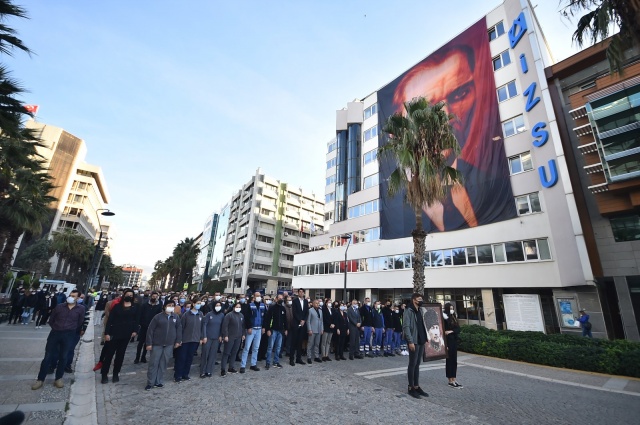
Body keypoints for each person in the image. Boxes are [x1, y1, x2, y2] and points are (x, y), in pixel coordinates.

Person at [381, 19, 515, 234]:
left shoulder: (495, 180)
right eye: (425, 109)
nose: (445, 117)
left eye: (460, 94)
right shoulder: (394, 206)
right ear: (400, 129)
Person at [32, 290, 85, 390]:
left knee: (64, 356)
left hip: (69, 334)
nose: (70, 297)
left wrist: (71, 328)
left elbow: (80, 322)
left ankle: (58, 378)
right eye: (70, 295)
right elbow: (51, 320)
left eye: (73, 296)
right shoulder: (59, 307)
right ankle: (40, 379)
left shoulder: (81, 309)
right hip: (55, 333)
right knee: (47, 356)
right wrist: (57, 327)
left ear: (77, 298)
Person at [101, 288, 140, 384]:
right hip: (114, 333)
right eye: (128, 295)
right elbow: (110, 320)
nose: (129, 297)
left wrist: (135, 331)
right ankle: (104, 374)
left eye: (131, 295)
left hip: (126, 334)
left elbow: (136, 320)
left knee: (120, 355)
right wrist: (107, 333)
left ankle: (115, 373)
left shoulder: (135, 307)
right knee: (109, 355)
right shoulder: (117, 306)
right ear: (124, 295)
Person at [144, 300, 182, 390]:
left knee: (163, 363)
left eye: (173, 305)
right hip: (157, 344)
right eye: (169, 305)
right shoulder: (158, 317)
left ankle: (159, 381)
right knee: (154, 363)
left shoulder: (176, 317)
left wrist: (178, 341)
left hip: (169, 344)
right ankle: (150, 382)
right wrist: (149, 343)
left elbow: (179, 329)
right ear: (165, 306)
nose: (171, 307)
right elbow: (150, 330)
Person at [403, 293, 429, 399]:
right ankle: (411, 387)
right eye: (419, 299)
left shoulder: (420, 310)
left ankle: (417, 386)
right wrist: (410, 341)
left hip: (421, 340)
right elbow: (406, 326)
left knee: (418, 364)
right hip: (414, 341)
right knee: (412, 364)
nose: (421, 300)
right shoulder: (408, 311)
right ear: (414, 300)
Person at [174, 299, 205, 382]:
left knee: (189, 358)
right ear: (193, 304)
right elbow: (181, 327)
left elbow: (202, 327)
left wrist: (201, 337)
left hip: (195, 340)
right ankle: (178, 375)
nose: (199, 305)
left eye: (200, 303)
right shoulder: (186, 314)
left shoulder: (201, 314)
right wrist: (179, 339)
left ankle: (185, 374)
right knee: (182, 358)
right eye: (197, 303)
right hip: (185, 340)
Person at [240, 292, 266, 373]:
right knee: (247, 347)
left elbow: (265, 317)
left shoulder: (263, 305)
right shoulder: (250, 305)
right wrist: (249, 327)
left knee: (256, 348)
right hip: (252, 329)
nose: (259, 297)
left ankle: (253, 364)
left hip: (259, 329)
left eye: (259, 296)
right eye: (257, 296)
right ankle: (243, 365)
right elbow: (247, 317)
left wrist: (264, 327)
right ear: (254, 297)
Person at [135, 292, 163, 364]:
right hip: (144, 326)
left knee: (147, 343)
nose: (154, 298)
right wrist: (140, 323)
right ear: (151, 297)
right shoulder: (145, 305)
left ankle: (143, 356)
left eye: (156, 297)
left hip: (152, 327)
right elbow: (140, 314)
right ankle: (137, 357)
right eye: (153, 296)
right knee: (140, 342)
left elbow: (159, 316)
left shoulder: (159, 306)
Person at [220, 302, 246, 377]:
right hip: (230, 336)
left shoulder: (241, 315)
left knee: (234, 352)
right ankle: (223, 369)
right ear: (234, 307)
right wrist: (226, 335)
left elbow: (243, 326)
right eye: (237, 307)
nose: (238, 308)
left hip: (238, 336)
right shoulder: (229, 315)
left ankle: (231, 367)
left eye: (239, 307)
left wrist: (243, 334)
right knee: (226, 353)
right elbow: (225, 326)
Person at [200, 301, 224, 378]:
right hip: (208, 337)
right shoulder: (209, 314)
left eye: (219, 305)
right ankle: (202, 371)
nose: (218, 307)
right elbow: (204, 325)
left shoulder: (222, 315)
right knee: (205, 354)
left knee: (213, 355)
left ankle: (209, 370)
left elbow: (222, 326)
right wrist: (204, 336)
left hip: (216, 338)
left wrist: (221, 335)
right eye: (217, 305)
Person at [263, 294, 287, 369]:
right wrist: (268, 329)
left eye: (282, 298)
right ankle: (268, 363)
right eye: (279, 298)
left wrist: (285, 329)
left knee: (278, 347)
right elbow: (268, 319)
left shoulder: (283, 308)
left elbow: (285, 320)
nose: (280, 299)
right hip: (273, 330)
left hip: (280, 330)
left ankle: (276, 362)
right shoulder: (272, 308)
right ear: (276, 299)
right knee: (270, 347)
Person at [443, 303, 463, 388]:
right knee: (449, 361)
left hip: (454, 340)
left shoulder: (454, 317)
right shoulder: (444, 318)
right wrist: (445, 345)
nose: (452, 309)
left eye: (452, 308)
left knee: (454, 361)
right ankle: (450, 380)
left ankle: (454, 378)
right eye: (450, 308)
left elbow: (458, 329)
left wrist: (451, 331)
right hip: (448, 341)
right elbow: (443, 331)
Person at [291, 289, 309, 366]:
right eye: (300, 292)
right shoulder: (295, 301)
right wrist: (299, 320)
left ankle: (299, 358)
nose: (301, 293)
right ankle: (291, 359)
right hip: (296, 323)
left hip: (303, 324)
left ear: (304, 293)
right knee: (294, 341)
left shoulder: (305, 301)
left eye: (302, 292)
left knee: (300, 342)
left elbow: (306, 312)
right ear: (298, 293)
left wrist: (304, 320)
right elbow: (294, 312)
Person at [306, 299, 323, 364]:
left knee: (317, 344)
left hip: (318, 330)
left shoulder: (320, 311)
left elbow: (321, 321)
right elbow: (308, 321)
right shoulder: (310, 310)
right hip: (312, 330)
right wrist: (309, 329)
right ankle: (309, 357)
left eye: (318, 303)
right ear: (313, 304)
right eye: (316, 303)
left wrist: (322, 329)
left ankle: (316, 356)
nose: (317, 304)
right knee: (310, 344)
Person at [320, 297, 334, 362]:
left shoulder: (332, 310)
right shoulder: (324, 309)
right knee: (324, 342)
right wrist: (329, 324)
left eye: (331, 302)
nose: (330, 303)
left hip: (331, 328)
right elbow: (324, 318)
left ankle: (327, 354)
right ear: (326, 303)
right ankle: (323, 355)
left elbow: (334, 318)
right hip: (326, 327)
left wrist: (333, 324)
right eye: (329, 302)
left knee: (328, 342)